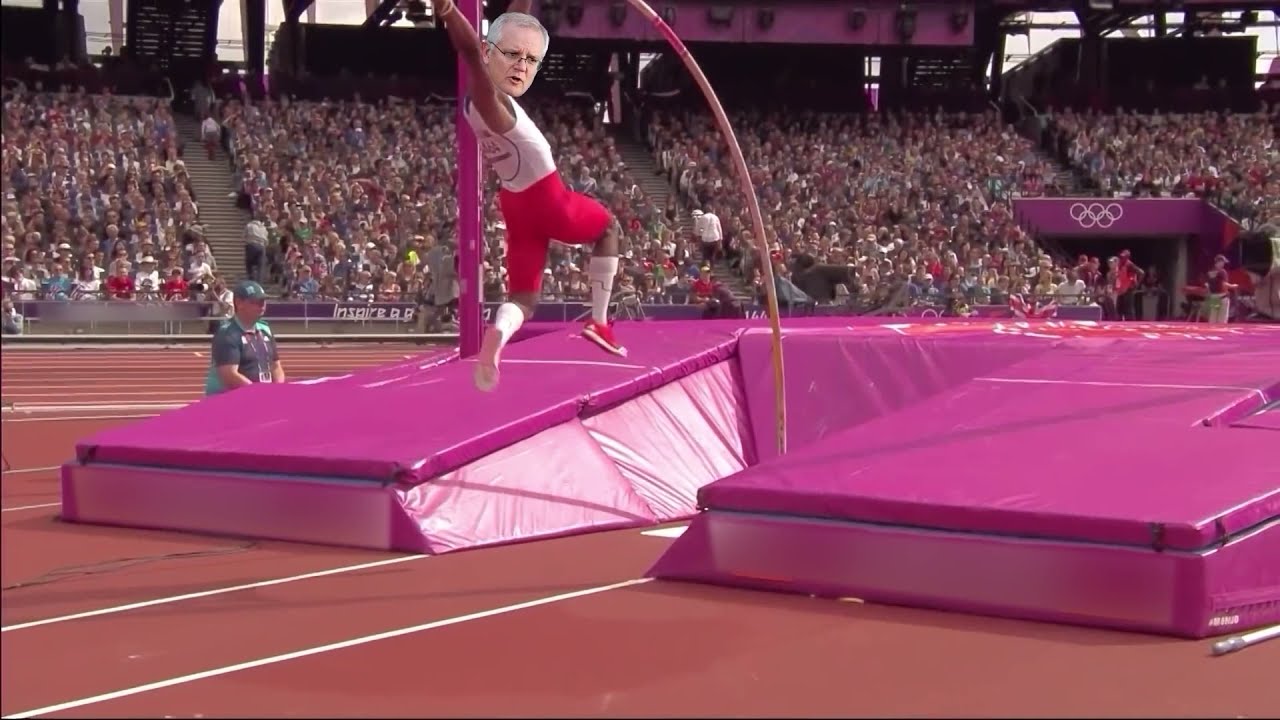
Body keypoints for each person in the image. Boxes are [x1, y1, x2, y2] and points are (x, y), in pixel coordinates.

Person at [432, 0, 625, 392]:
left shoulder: (472, 104)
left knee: (523, 298)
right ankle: (599, 322)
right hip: (548, 198)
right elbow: (471, 50)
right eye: (510, 56)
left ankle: (498, 335)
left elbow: (511, 25)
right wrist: (449, 10)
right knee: (609, 228)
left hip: (516, 204)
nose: (520, 65)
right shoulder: (491, 99)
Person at [204, 280, 285, 395]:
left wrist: (277, 390)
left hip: (260, 397)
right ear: (239, 303)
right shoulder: (227, 334)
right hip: (230, 400)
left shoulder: (265, 329)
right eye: (255, 301)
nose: (262, 304)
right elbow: (229, 375)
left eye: (263, 300)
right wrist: (260, 393)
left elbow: (276, 366)